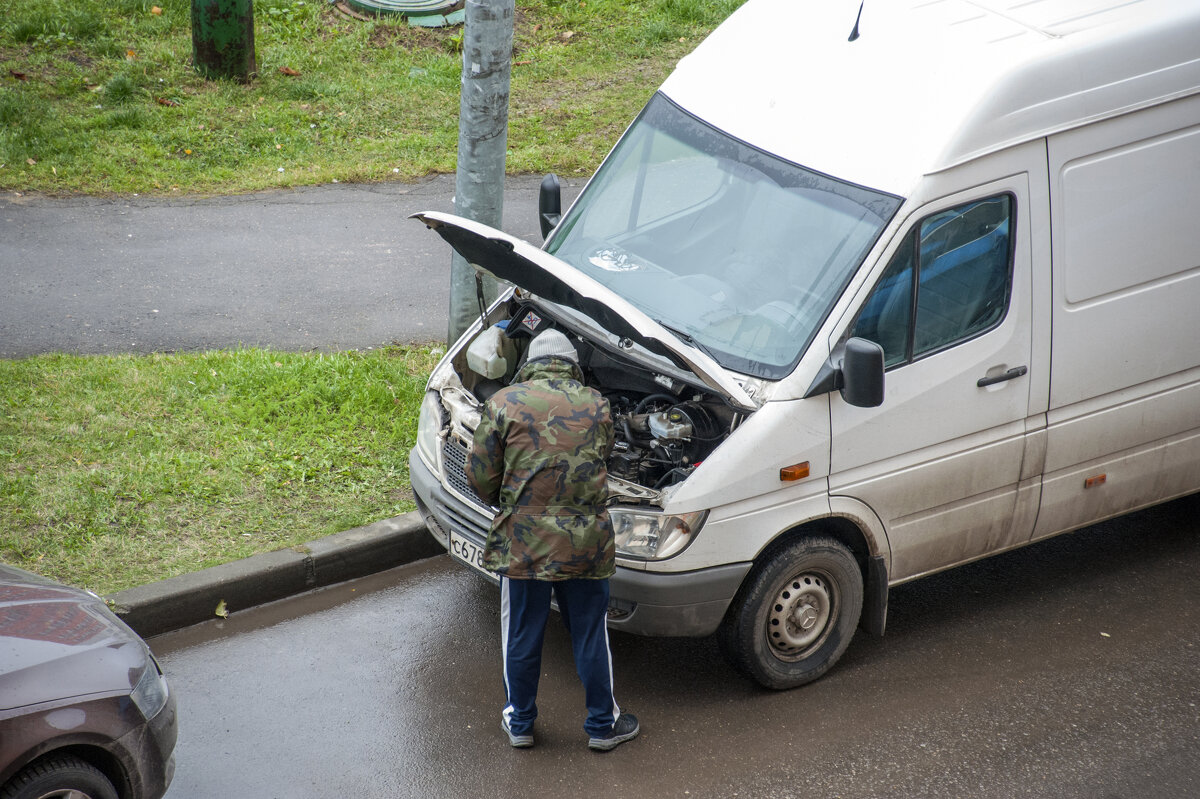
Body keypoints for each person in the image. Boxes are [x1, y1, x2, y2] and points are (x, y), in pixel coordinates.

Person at [467, 327, 640, 752]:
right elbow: (604, 458)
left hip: (524, 546)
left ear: (528, 366)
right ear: (572, 367)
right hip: (586, 545)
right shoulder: (597, 405)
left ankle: (521, 722)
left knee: (522, 634)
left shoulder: (503, 403)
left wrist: (512, 504)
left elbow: (481, 476)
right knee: (590, 634)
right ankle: (602, 726)